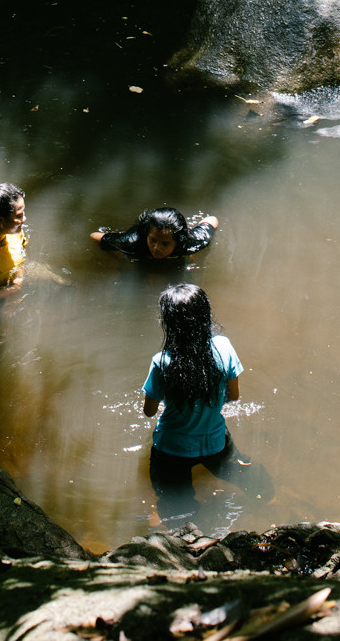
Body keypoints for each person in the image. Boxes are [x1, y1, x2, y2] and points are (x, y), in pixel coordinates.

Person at [141, 283, 256, 523]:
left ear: (168, 323)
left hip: (172, 449)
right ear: (205, 316)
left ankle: (185, 538)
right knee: (240, 473)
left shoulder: (162, 361)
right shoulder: (224, 347)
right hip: (215, 443)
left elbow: (149, 412)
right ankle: (264, 499)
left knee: (174, 507)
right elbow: (233, 396)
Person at [91, 206, 218, 262]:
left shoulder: (191, 243)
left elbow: (212, 219)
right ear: (147, 235)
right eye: (152, 240)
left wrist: (189, 254)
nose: (156, 248)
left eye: (165, 243)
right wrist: (118, 254)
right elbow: (95, 236)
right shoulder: (132, 242)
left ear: (178, 242)